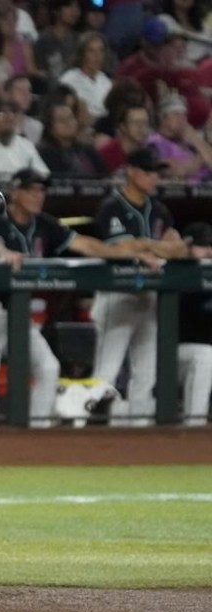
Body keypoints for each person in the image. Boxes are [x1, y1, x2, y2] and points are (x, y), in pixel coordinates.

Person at [0, 168, 165, 429]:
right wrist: (4, 253)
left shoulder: (45, 224)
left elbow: (87, 245)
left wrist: (131, 256)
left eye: (42, 190)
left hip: (17, 314)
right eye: (32, 190)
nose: (38, 195)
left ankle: (37, 435)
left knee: (48, 369)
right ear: (15, 192)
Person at [90, 147, 188, 426]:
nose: (153, 177)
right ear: (130, 171)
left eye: (156, 172)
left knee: (146, 373)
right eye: (147, 171)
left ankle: (138, 436)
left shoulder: (159, 210)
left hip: (148, 299)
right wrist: (150, 247)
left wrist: (145, 245)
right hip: (116, 296)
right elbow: (121, 247)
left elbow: (178, 249)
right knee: (106, 373)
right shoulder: (112, 207)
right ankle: (87, 435)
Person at [177, 222, 212, 427]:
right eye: (202, 245)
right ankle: (194, 426)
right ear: (187, 247)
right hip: (171, 356)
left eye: (210, 245)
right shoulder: (176, 271)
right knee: (206, 356)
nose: (208, 251)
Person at [97, 104, 151, 174]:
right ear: (123, 126)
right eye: (135, 122)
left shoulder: (148, 152)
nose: (141, 127)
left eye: (145, 123)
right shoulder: (106, 153)